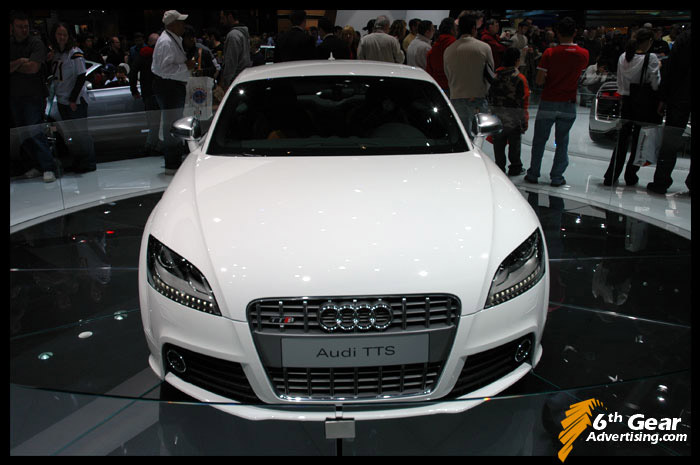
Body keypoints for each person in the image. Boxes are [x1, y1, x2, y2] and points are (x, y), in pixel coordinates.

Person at [524, 17, 588, 187]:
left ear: (557, 33)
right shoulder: (583, 54)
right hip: (568, 102)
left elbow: (539, 80)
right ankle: (557, 177)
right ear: (575, 32)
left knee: (539, 140)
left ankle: (533, 173)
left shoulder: (550, 53)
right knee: (562, 141)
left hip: (549, 101)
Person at [601, 27, 660, 187]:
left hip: (626, 101)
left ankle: (611, 175)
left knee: (621, 141)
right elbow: (655, 84)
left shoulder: (623, 57)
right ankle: (631, 175)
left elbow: (620, 81)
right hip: (643, 103)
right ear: (649, 41)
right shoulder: (651, 58)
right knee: (638, 141)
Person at [10, 11, 58, 182]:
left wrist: (14, 67)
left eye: (26, 26)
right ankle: (36, 165)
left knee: (35, 131)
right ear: (12, 27)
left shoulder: (36, 43)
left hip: (34, 96)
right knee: (23, 134)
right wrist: (20, 61)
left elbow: (33, 68)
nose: (24, 30)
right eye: (20, 27)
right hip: (14, 96)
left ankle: (48, 166)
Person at [151, 10, 196, 174]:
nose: (183, 25)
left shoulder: (171, 39)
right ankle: (172, 162)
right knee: (172, 124)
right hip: (169, 87)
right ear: (172, 25)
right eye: (180, 22)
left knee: (173, 122)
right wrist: (186, 66)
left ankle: (174, 159)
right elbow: (165, 70)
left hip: (171, 86)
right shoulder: (166, 42)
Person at [647, 28, 691, 195]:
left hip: (679, 96)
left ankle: (661, 181)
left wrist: (663, 97)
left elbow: (672, 69)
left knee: (671, 140)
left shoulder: (685, 38)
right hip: (680, 95)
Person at [48, 22, 97, 173]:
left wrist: (73, 99)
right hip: (62, 100)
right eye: (59, 34)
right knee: (72, 135)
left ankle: (88, 162)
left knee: (81, 133)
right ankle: (78, 161)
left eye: (64, 34)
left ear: (69, 36)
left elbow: (81, 76)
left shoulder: (75, 53)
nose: (62, 37)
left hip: (75, 101)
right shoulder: (55, 54)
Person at [443, 13, 494, 137]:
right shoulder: (484, 47)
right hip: (478, 97)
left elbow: (448, 74)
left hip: (456, 96)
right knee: (479, 137)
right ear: (473, 28)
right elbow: (490, 73)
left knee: (462, 137)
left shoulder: (449, 50)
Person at [488, 47, 530, 176]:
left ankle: (499, 167)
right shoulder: (519, 78)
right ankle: (515, 167)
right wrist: (524, 120)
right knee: (514, 144)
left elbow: (490, 97)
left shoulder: (495, 77)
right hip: (514, 118)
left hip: (497, 116)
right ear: (517, 61)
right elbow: (523, 101)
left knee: (498, 144)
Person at [129, 32, 161, 157]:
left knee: (153, 121)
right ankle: (156, 145)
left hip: (148, 92)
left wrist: (134, 90)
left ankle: (151, 145)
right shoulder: (162, 53)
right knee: (162, 120)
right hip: (161, 91)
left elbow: (133, 71)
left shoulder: (144, 53)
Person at [220, 10, 252, 89]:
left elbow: (231, 62)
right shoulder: (243, 33)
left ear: (230, 17)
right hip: (244, 77)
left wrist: (227, 83)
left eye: (223, 18)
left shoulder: (233, 35)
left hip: (235, 81)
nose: (221, 21)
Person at [425, 17, 456, 96]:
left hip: (436, 84)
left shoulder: (435, 45)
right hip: (451, 85)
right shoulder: (455, 44)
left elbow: (429, 68)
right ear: (452, 30)